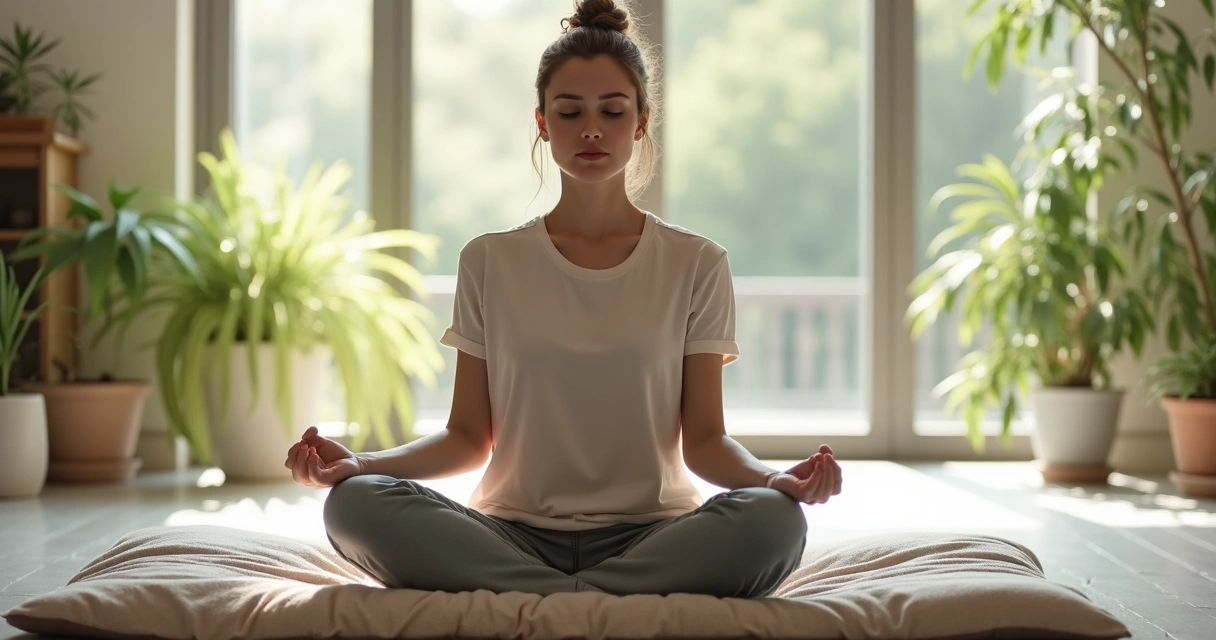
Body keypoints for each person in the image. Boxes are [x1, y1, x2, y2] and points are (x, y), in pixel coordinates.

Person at [283, 0, 842, 599]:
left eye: (612, 111)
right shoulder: (488, 261)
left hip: (655, 533)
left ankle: (544, 599)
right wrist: (361, 465)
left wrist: (773, 479)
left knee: (776, 520)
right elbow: (468, 437)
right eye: (570, 112)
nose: (591, 129)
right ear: (543, 123)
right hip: (508, 533)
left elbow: (705, 441)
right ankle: (599, 599)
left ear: (642, 121)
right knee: (354, 503)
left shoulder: (697, 263)